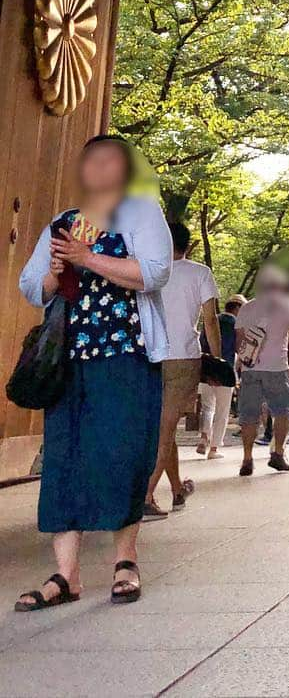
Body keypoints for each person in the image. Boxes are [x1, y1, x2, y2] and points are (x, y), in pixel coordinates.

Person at [15, 136, 172, 610]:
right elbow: (31, 285)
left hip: (124, 353)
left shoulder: (141, 213)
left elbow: (154, 272)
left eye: (110, 160)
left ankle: (125, 560)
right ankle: (66, 575)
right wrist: (53, 272)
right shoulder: (64, 222)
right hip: (69, 359)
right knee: (64, 457)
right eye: (92, 161)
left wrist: (88, 260)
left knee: (123, 452)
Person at [145, 224, 220, 518]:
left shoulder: (148, 272)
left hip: (150, 356)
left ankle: (177, 488)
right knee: (165, 431)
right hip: (183, 358)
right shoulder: (200, 273)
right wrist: (217, 360)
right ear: (188, 245)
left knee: (164, 428)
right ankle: (147, 496)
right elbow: (210, 320)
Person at [234, 266, 289, 476]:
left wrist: (245, 361)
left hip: (250, 368)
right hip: (277, 367)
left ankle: (247, 458)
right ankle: (278, 454)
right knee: (282, 412)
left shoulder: (247, 308)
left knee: (249, 415)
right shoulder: (287, 308)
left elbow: (239, 341)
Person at [197, 294, 244, 459]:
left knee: (207, 407)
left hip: (206, 370)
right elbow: (240, 348)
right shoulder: (237, 324)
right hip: (225, 370)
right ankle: (214, 449)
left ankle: (204, 437)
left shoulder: (211, 320)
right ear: (237, 308)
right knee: (222, 410)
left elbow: (201, 344)